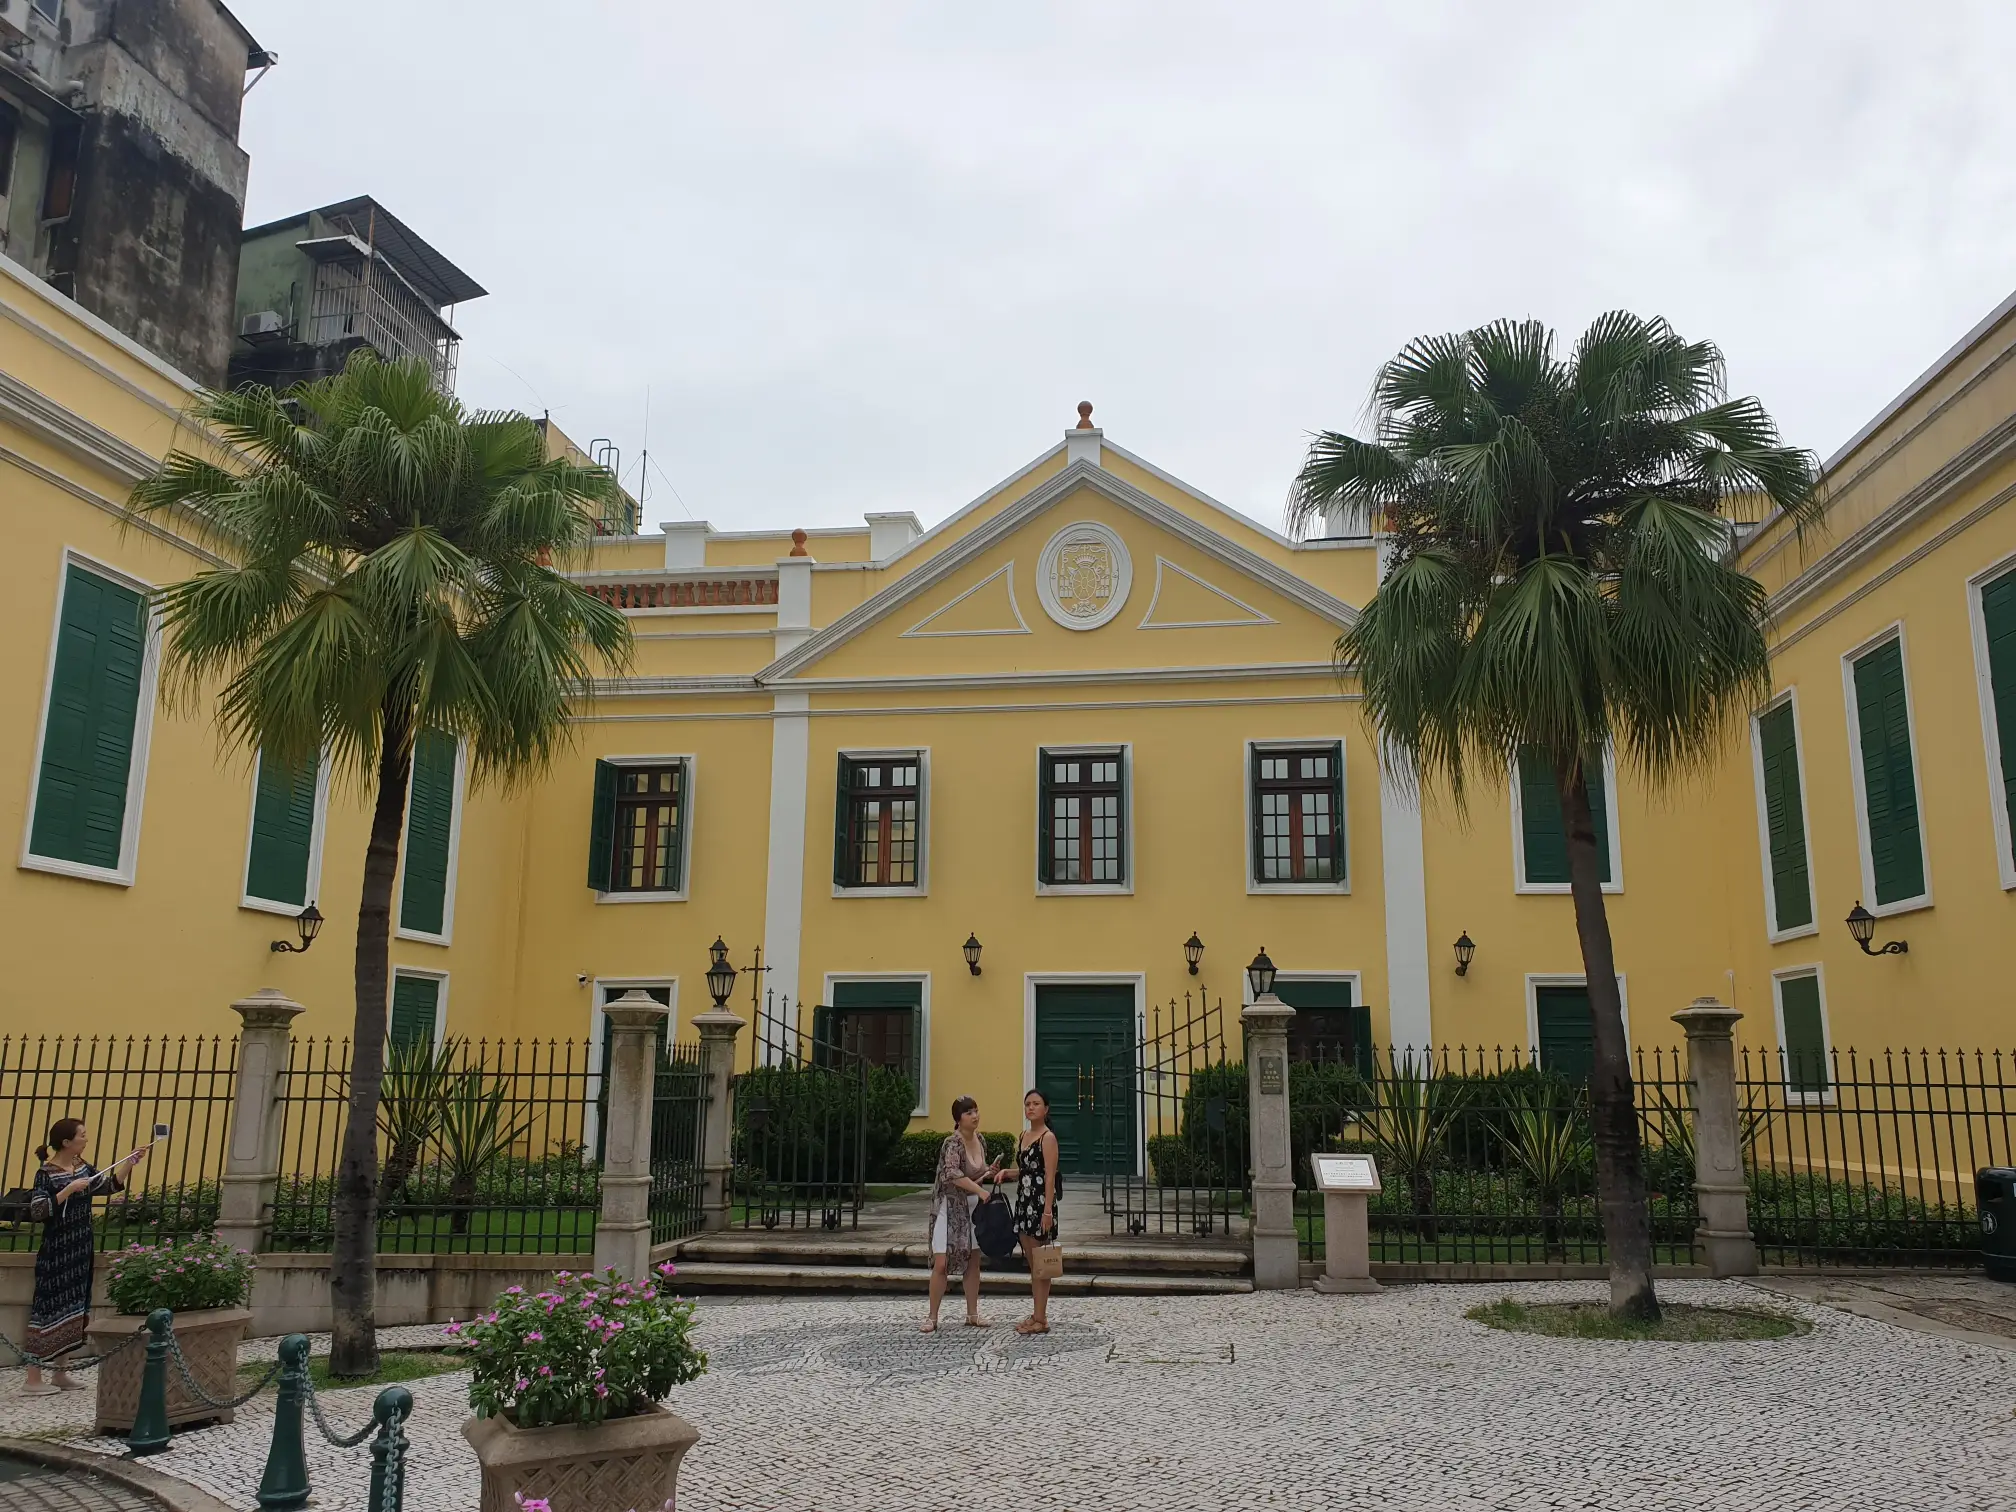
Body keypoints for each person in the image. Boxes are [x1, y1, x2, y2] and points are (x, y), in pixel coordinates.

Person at [21, 1119, 144, 1396]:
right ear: (66, 1142)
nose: (86, 1140)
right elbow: (38, 1211)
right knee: (47, 1308)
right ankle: (32, 1378)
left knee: (75, 1308)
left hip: (81, 1248)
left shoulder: (83, 1168)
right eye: (82, 1135)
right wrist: (67, 1191)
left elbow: (109, 1185)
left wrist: (130, 1162)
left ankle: (61, 1374)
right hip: (56, 1249)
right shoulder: (46, 1174)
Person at [922, 1095, 994, 1333]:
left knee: (973, 1260)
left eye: (976, 1111)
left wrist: (988, 1173)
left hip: (972, 1207)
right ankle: (932, 1317)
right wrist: (981, 1191)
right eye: (969, 1113)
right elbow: (953, 1174)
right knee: (942, 1262)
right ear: (958, 1119)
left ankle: (972, 1314)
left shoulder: (980, 1139)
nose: (975, 1116)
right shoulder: (952, 1143)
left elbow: (974, 1174)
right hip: (950, 1207)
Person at [1003, 1088, 1060, 1335]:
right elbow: (1028, 1170)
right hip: (1023, 1201)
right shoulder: (1024, 1135)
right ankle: (1037, 1313)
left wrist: (1047, 1211)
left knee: (1041, 1263)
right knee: (1031, 1260)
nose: (1030, 1108)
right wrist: (1008, 1173)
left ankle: (1041, 1318)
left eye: (1036, 1104)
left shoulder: (1047, 1138)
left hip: (1039, 1203)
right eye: (1027, 1104)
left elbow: (1049, 1176)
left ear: (1045, 1109)